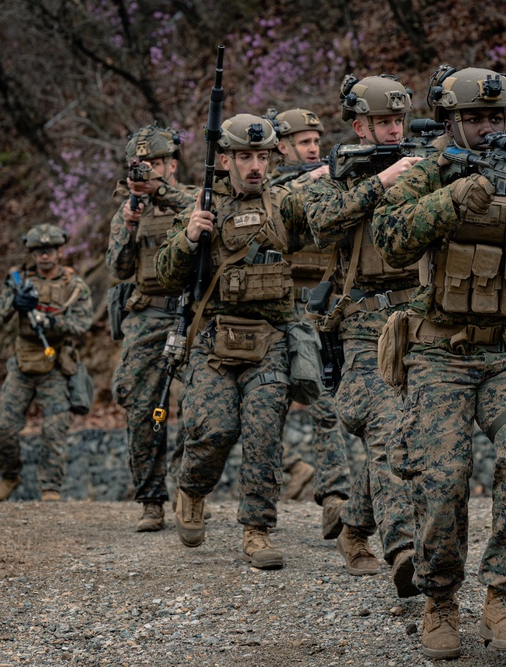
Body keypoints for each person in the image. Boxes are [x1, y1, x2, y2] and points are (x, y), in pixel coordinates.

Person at [371, 66, 506, 658]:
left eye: (495, 117)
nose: (486, 127)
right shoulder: (427, 169)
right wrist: (451, 198)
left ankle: (504, 598)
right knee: (441, 479)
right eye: (473, 118)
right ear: (450, 121)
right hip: (439, 354)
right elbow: (389, 237)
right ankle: (439, 601)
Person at [154, 113, 313, 569]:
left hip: (270, 341)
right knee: (214, 429)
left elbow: (330, 219)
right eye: (244, 156)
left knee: (264, 434)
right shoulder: (201, 207)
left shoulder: (285, 203)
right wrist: (187, 238)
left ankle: (257, 530)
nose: (255, 166)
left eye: (262, 156)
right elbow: (166, 275)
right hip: (212, 342)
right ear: (224, 159)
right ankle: (191, 488)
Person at [304, 74, 423, 596]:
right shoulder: (334, 175)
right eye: (382, 122)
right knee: (388, 430)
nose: (394, 129)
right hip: (361, 328)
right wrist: (383, 182)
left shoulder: (425, 164)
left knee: (411, 440)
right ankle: (404, 551)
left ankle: (355, 525)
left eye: (398, 120)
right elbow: (322, 222)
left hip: (421, 321)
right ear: (359, 125)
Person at [107, 123, 198, 531]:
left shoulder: (192, 197)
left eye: (157, 163)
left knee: (199, 405)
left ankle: (190, 491)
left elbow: (200, 216)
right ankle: (150, 500)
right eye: (142, 165)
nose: (150, 171)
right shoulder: (127, 209)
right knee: (141, 405)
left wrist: (159, 192)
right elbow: (117, 268)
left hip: (192, 312)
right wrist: (127, 227)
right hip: (147, 313)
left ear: (172, 164)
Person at [270, 108, 353, 526]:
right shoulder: (266, 189)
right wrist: (308, 181)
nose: (314, 149)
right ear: (281, 147)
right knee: (264, 411)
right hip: (275, 314)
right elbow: (275, 215)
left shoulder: (334, 181)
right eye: (304, 143)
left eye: (317, 142)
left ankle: (336, 496)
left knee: (326, 404)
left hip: (321, 313)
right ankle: (274, 490)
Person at [0, 224, 93, 502]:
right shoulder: (18, 281)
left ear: (60, 251)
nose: (44, 256)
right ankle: (10, 477)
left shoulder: (73, 285)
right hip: (22, 363)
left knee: (54, 429)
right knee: (4, 425)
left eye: (49, 251)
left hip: (56, 363)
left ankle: (50, 487)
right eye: (38, 252)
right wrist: (15, 302)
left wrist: (52, 323)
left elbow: (83, 322)